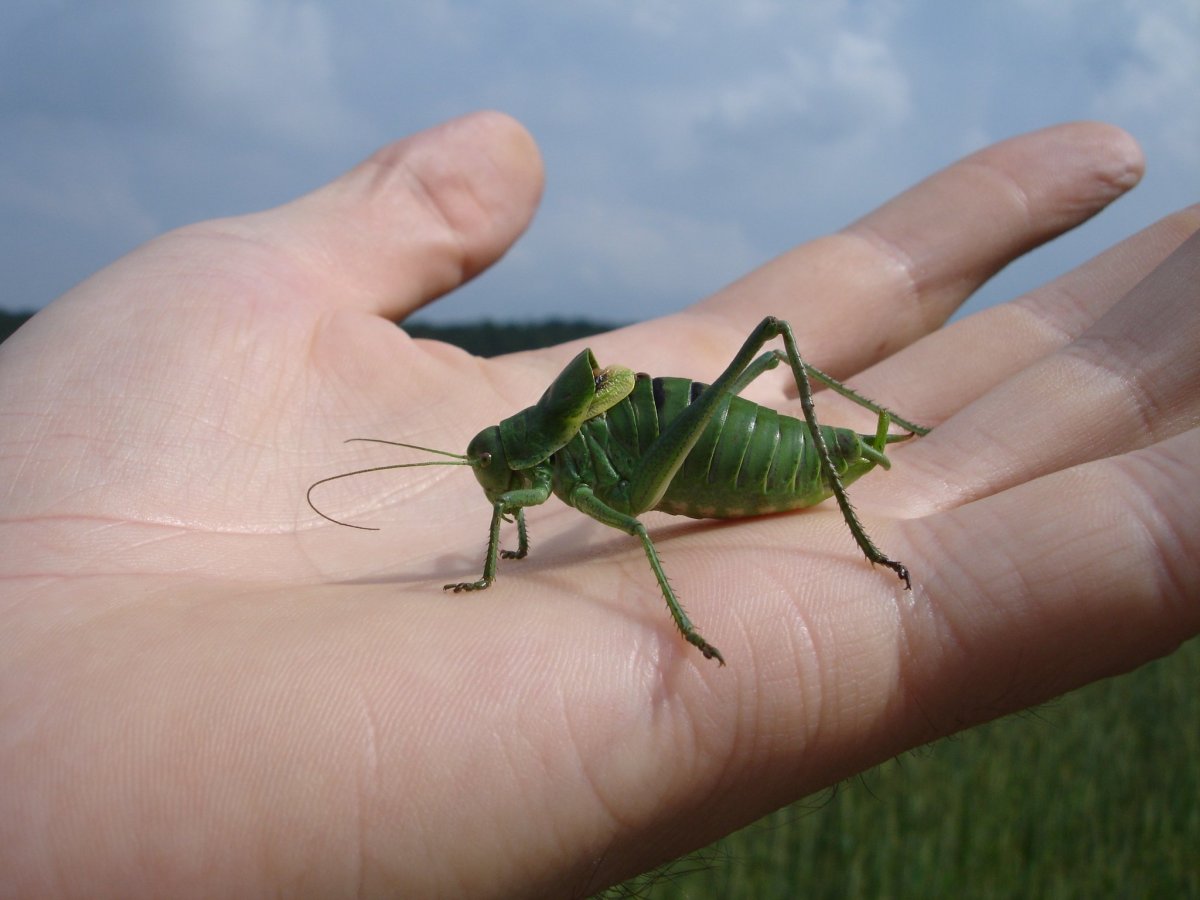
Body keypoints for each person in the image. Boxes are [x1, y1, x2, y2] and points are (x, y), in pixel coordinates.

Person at [1, 111, 1196, 898]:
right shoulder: (521, 476)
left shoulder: (572, 479)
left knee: (763, 347)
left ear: (516, 459)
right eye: (493, 490)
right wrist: (490, 550)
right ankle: (870, 443)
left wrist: (677, 624)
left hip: (689, 448)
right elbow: (519, 500)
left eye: (498, 485)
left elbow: (612, 510)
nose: (499, 500)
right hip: (661, 442)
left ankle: (866, 471)